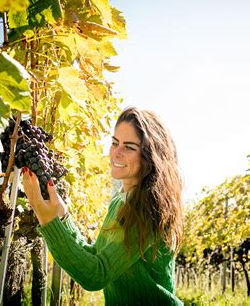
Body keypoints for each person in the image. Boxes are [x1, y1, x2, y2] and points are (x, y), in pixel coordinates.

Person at [22, 107, 184, 305]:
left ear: (150, 156)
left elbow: (96, 275)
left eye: (129, 147)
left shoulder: (151, 208)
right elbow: (97, 256)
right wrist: (63, 219)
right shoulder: (121, 200)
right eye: (115, 143)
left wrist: (45, 217)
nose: (116, 153)